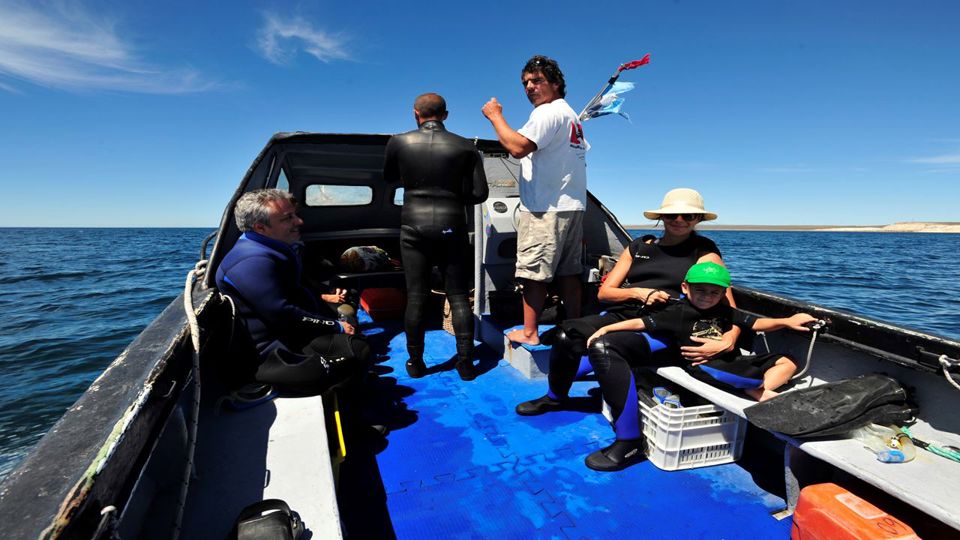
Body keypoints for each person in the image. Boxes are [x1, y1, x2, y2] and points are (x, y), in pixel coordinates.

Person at [514, 188, 737, 416]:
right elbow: (605, 293)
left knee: (605, 346)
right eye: (672, 215)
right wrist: (640, 293)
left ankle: (627, 437)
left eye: (688, 216)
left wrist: (729, 339)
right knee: (564, 335)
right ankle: (555, 398)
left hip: (666, 323)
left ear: (698, 219)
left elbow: (728, 306)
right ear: (661, 217)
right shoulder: (639, 247)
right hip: (626, 313)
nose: (679, 221)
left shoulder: (704, 252)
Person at [584, 261, 815, 471]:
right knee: (744, 376)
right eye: (700, 290)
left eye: (714, 292)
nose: (707, 296)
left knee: (788, 362)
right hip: (703, 364)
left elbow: (756, 323)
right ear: (685, 287)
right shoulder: (678, 312)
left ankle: (757, 389)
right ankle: (758, 390)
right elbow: (641, 323)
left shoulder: (725, 311)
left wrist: (788, 321)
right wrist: (607, 329)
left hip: (732, 360)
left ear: (723, 293)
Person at [215, 189, 370, 393]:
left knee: (353, 335)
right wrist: (336, 326)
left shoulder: (272, 248)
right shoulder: (252, 261)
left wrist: (328, 311)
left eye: (295, 215)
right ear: (260, 227)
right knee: (358, 351)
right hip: (270, 354)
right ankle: (353, 421)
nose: (299, 222)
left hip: (291, 334)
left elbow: (297, 290)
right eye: (288, 218)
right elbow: (282, 313)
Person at [482, 55, 588, 346]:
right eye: (525, 82)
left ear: (555, 84)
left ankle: (530, 333)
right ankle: (574, 326)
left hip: (545, 209)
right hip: (572, 206)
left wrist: (495, 116)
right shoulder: (571, 116)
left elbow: (517, 147)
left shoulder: (546, 113)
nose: (529, 86)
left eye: (537, 80)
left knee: (533, 274)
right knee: (569, 272)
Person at [383, 93, 489, 381]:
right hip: (451, 225)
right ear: (446, 115)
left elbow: (389, 178)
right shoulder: (465, 146)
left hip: (413, 227)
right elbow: (480, 193)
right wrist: (453, 194)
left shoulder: (398, 142)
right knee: (457, 295)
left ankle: (416, 364)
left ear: (416, 114)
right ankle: (466, 364)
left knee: (416, 296)